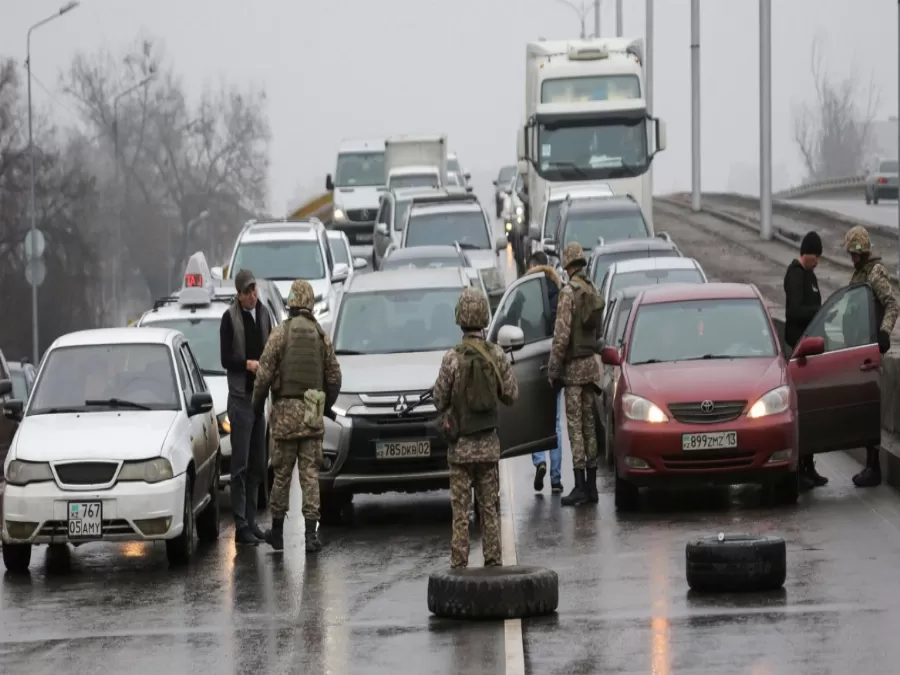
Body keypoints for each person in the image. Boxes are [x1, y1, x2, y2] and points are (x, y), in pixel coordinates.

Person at [251, 280, 342, 552]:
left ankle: (277, 533)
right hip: (312, 416)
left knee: (282, 475)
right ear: (310, 302)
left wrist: (257, 405)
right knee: (310, 475)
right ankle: (310, 536)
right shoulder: (320, 335)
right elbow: (334, 377)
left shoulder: (281, 334)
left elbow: (264, 372)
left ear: (291, 303)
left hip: (285, 418)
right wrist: (324, 403)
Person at [433, 288, 518, 569]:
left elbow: (438, 399)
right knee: (489, 510)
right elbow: (511, 394)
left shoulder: (452, 358)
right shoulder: (495, 355)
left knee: (460, 512)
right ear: (484, 317)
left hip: (459, 451)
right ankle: (493, 562)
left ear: (460, 318)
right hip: (488, 449)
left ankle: (459, 566)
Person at [548, 242, 603, 507]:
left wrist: (553, 369)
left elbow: (561, 335)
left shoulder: (568, 293)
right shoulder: (592, 290)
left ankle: (579, 486)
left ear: (567, 264)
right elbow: (599, 332)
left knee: (575, 430)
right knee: (590, 427)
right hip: (591, 368)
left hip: (573, 371)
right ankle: (592, 487)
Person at [220, 269, 272, 545]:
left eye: (255, 289)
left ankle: (253, 522)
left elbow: (272, 347)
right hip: (240, 400)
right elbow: (225, 358)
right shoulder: (229, 319)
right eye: (248, 291)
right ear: (239, 295)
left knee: (257, 465)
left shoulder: (264, 314)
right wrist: (247, 364)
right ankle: (240, 526)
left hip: (258, 399)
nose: (253, 295)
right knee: (239, 467)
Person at [844, 226, 899, 488]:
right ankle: (870, 464)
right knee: (865, 408)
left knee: (871, 408)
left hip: (870, 351)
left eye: (857, 253)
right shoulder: (859, 274)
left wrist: (885, 332)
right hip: (859, 349)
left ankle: (874, 466)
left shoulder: (875, 272)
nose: (854, 257)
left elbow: (891, 304)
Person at [783, 231, 826, 489]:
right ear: (805, 253)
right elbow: (794, 311)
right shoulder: (795, 275)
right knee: (801, 411)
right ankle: (800, 468)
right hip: (798, 351)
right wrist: (818, 311)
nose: (817, 261)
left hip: (810, 349)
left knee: (811, 412)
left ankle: (810, 466)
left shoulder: (810, 276)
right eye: (815, 256)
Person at [523, 251, 565, 495]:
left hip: (531, 362)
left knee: (534, 421)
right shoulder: (558, 294)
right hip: (554, 363)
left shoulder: (528, 293)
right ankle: (557, 478)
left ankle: (539, 461)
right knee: (555, 422)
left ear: (531, 266)